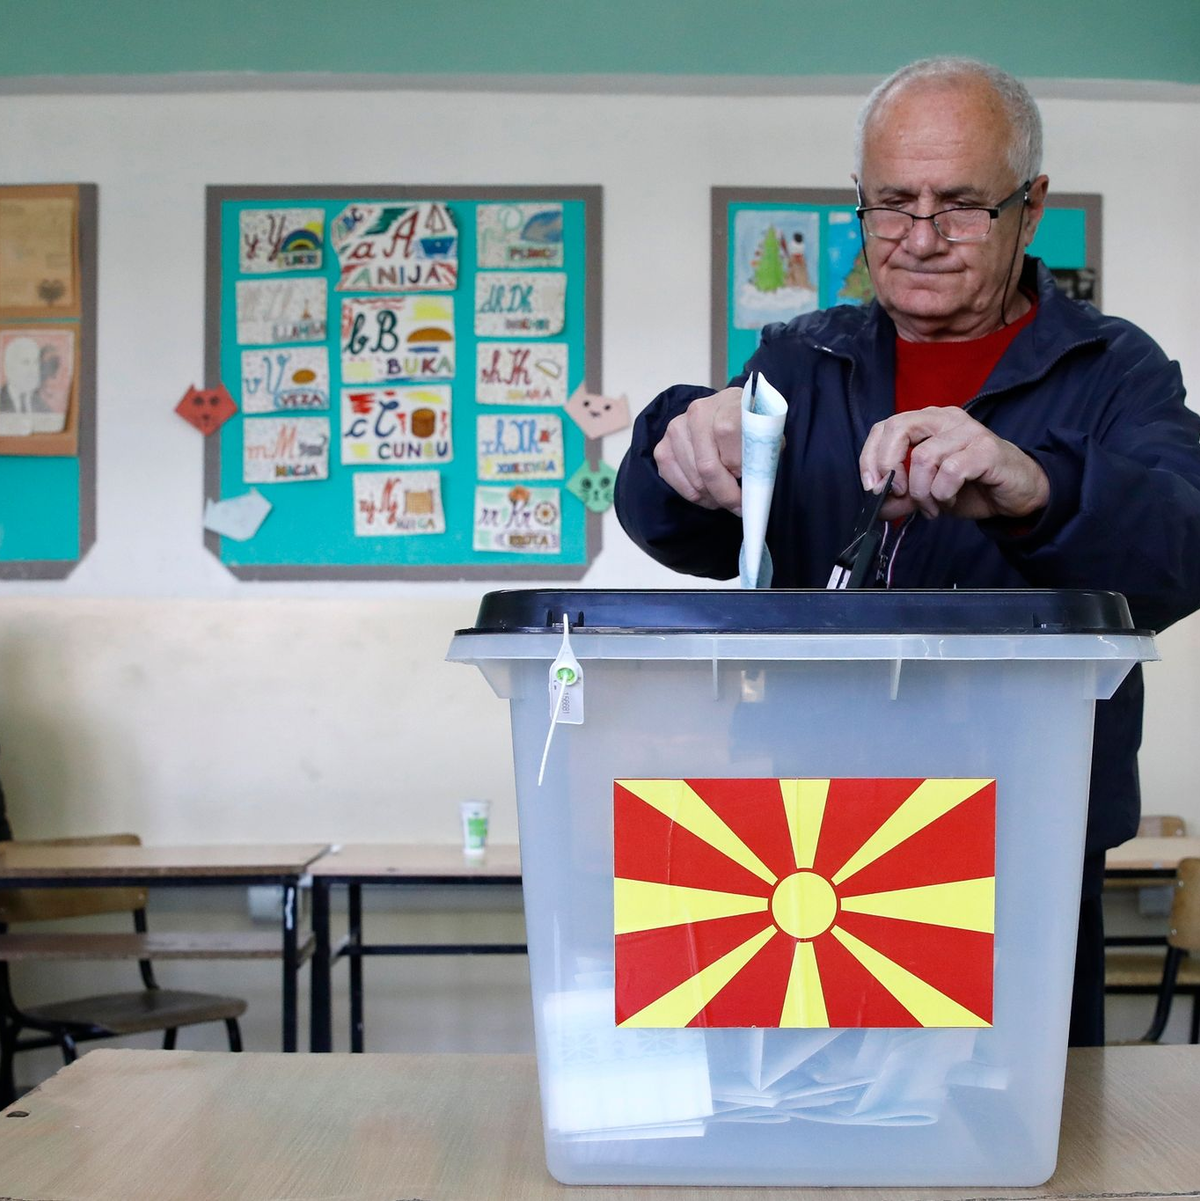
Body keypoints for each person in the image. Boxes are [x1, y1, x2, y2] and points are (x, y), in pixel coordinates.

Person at [615, 57, 1200, 1046]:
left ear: (1031, 208)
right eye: (892, 203)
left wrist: (1036, 484)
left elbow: (1181, 550)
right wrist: (676, 440)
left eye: (962, 204)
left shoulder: (1113, 370)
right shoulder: (804, 356)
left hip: (1028, 842)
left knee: (1028, 1152)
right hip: (799, 853)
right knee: (806, 1147)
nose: (920, 238)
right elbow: (691, 533)